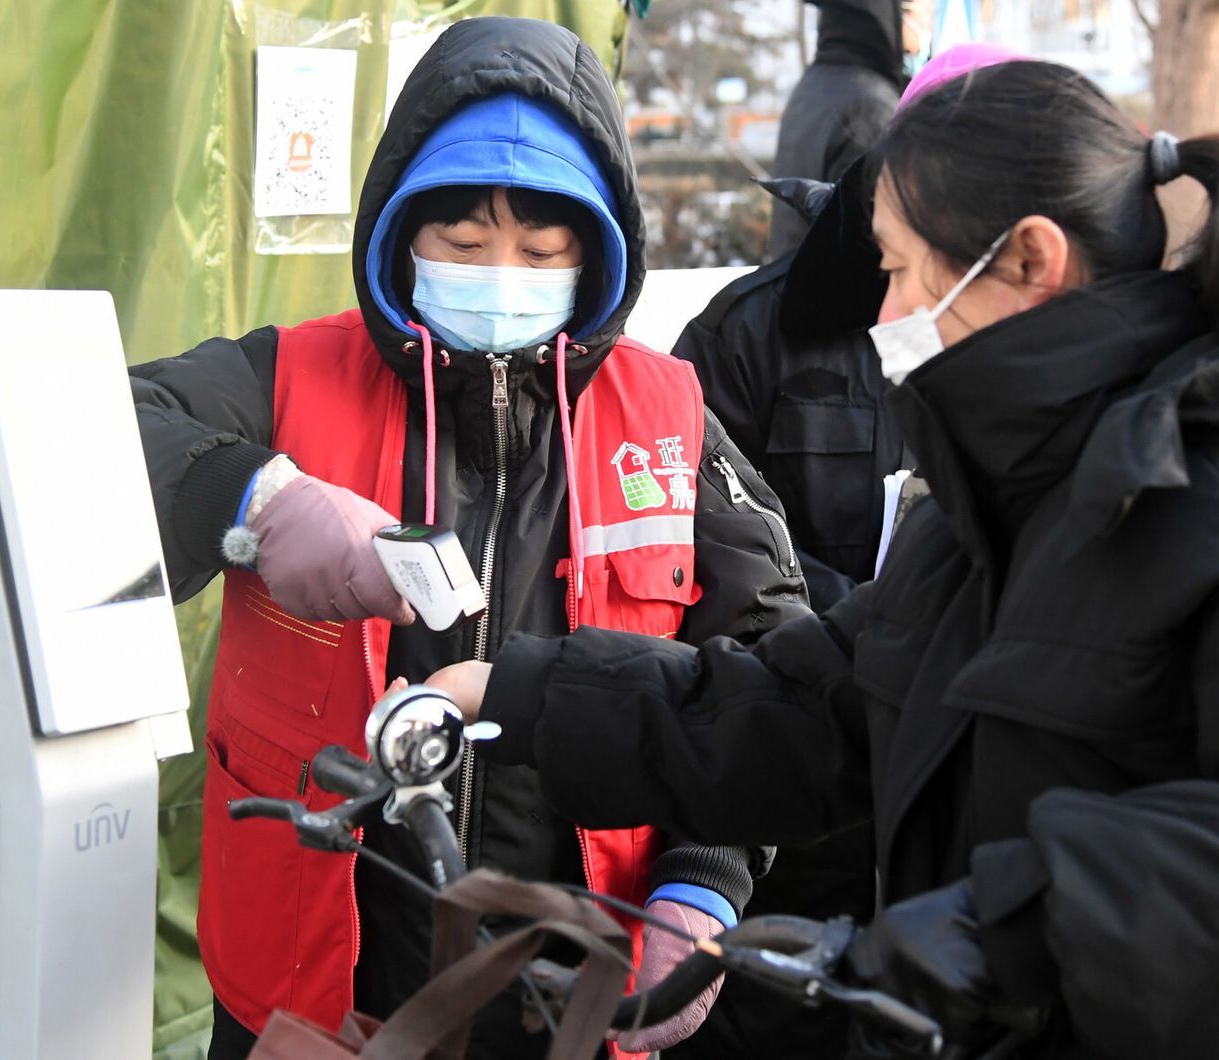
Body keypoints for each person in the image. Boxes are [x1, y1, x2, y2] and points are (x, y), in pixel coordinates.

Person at [431, 59, 1219, 1058]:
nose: (881, 319)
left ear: (1030, 260)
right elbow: (822, 706)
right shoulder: (1006, 498)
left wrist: (992, 932)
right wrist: (526, 689)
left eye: (893, 270)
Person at [130, 17, 807, 1060]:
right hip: (313, 995)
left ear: (597, 257)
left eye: (542, 250)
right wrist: (255, 496)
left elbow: (769, 659)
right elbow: (106, 423)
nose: (501, 273)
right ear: (402, 236)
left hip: (577, 998)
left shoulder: (664, 417)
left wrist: (703, 884)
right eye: (461, 243)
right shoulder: (294, 374)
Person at [662, 45, 1026, 1059]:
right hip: (792, 794)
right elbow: (693, 543)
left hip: (961, 847)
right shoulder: (750, 330)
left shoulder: (1047, 354)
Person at [767, 0, 915, 257]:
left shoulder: (811, 87)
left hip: (793, 283)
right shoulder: (869, 103)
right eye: (915, 12)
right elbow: (871, 235)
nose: (924, 25)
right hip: (834, 290)